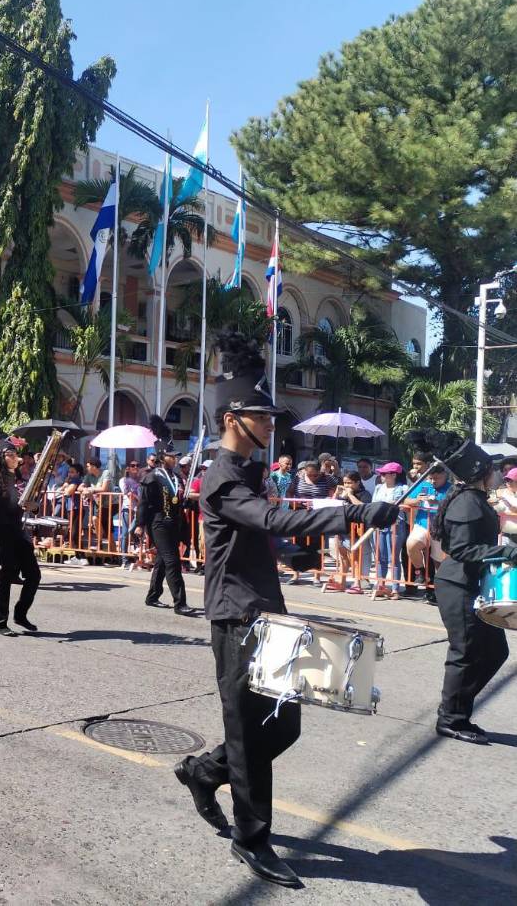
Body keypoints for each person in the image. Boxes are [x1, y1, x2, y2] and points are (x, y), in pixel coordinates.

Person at [173, 333, 399, 889]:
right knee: (251, 734)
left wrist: (325, 533)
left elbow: (268, 534)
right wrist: (350, 516)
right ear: (233, 418)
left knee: (283, 728)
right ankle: (252, 842)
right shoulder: (222, 476)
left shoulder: (249, 472)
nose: (273, 423)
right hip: (234, 616)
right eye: (262, 415)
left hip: (266, 612)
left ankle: (203, 770)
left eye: (273, 415)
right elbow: (271, 521)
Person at [429, 439, 516, 744]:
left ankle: (456, 709)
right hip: (456, 585)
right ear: (482, 471)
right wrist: (503, 553)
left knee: (495, 651)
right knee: (464, 652)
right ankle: (451, 718)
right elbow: (462, 548)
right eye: (494, 468)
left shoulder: (476, 498)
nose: (499, 473)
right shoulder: (466, 501)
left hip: (471, 585)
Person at [0, 423, 40, 635]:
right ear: (0, 457)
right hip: (2, 535)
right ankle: (0, 622)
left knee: (34, 575)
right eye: (11, 454)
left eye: (16, 454)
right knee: (4, 579)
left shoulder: (16, 480)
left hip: (18, 533)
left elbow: (27, 504)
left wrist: (33, 507)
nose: (16, 457)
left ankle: (20, 614)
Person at [136, 417, 195, 616]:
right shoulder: (151, 477)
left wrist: (189, 502)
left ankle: (152, 595)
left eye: (176, 456)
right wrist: (140, 524)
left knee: (163, 560)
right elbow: (144, 503)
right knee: (172, 561)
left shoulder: (176, 477)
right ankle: (180, 603)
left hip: (174, 523)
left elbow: (178, 500)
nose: (175, 459)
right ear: (163, 456)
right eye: (172, 456)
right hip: (159, 523)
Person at [404, 455, 450, 601]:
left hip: (441, 528)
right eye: (431, 478)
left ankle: (439, 590)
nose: (433, 481)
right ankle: (421, 573)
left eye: (436, 478)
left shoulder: (452, 489)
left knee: (439, 561)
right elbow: (406, 500)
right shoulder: (423, 485)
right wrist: (418, 500)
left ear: (444, 476)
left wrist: (439, 502)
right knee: (411, 544)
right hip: (422, 524)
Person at [371, 462, 407, 597]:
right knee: (380, 557)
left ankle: (395, 588)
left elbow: (404, 505)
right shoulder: (378, 488)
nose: (382, 476)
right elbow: (374, 504)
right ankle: (381, 585)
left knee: (394, 557)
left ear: (394, 475)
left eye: (385, 473)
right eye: (382, 473)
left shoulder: (403, 488)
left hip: (396, 524)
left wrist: (389, 505)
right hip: (380, 524)